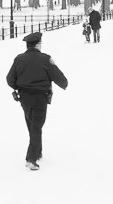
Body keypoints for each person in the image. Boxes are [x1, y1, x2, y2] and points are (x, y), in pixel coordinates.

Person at [6, 30, 69, 171]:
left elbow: (10, 79)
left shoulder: (19, 59)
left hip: (24, 98)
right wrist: (64, 84)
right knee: (36, 126)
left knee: (32, 124)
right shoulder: (45, 59)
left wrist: (19, 87)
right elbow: (58, 76)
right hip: (40, 97)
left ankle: (38, 151)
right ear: (38, 45)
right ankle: (31, 159)